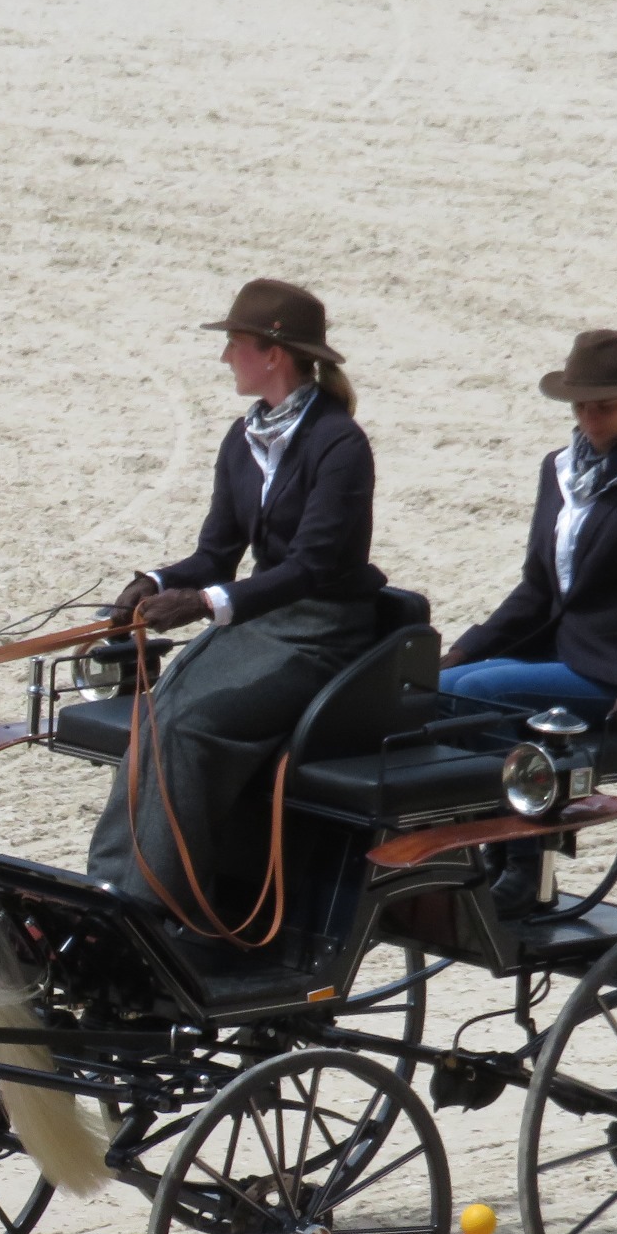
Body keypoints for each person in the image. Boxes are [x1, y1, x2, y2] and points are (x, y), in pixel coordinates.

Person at [86, 278, 386, 933]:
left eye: (235, 345)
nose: (226, 358)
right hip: (259, 619)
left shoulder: (339, 445)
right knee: (156, 712)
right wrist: (154, 580)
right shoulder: (242, 438)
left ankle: (158, 908)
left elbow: (313, 566)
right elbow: (216, 551)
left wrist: (205, 602)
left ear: (272, 353)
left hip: (322, 633)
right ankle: (110, 885)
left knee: (187, 729)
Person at [438, 329, 617, 729]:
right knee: (437, 687)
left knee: (480, 690)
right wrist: (463, 650)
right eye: (580, 407)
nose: (590, 419)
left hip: (611, 669)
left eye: (605, 407)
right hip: (551, 651)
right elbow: (536, 589)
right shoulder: (557, 471)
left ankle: (513, 789)